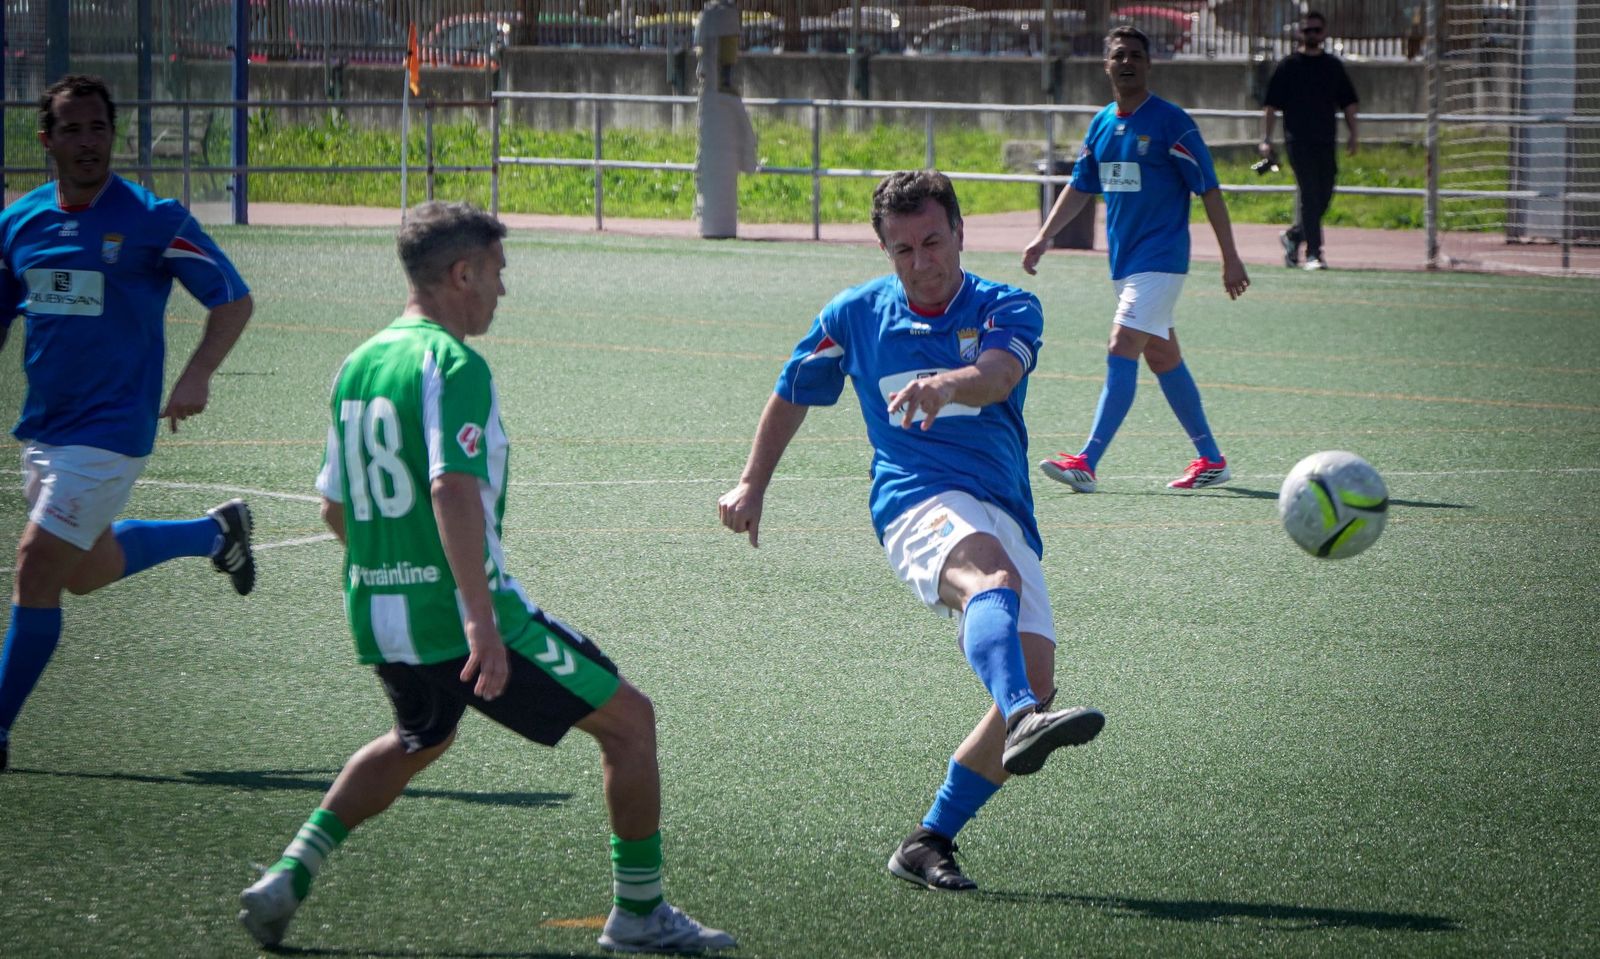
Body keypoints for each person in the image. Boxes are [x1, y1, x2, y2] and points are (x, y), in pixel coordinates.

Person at [238, 201, 734, 955]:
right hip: (466, 617)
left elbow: (334, 507)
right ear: (461, 273)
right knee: (632, 723)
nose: (503, 290)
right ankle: (640, 912)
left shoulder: (358, 363)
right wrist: (478, 619)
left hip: (378, 613)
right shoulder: (453, 362)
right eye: (498, 273)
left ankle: (287, 873)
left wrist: (391, 572)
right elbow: (452, 486)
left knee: (418, 739)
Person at [719, 170, 1105, 892]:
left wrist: (945, 382)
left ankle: (927, 839)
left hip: (1002, 501)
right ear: (884, 251)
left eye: (932, 241)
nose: (921, 261)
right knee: (990, 582)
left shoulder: (1007, 304)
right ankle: (1020, 716)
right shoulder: (854, 314)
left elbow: (994, 376)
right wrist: (753, 481)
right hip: (912, 497)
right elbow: (793, 390)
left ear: (960, 231)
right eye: (902, 249)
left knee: (1038, 672)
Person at [0, 75, 256, 774]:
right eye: (73, 130)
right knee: (84, 572)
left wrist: (197, 373)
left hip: (112, 432)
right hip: (46, 431)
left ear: (115, 135)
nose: (89, 142)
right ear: (47, 141)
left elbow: (231, 298)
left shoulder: (154, 219)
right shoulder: (16, 224)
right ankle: (215, 532)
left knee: (34, 568)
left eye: (99, 128)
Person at [1023, 26, 1249, 495]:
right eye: (1118, 55)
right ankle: (1211, 458)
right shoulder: (1102, 124)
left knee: (1120, 344)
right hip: (1125, 266)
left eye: (1136, 56)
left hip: (1162, 261)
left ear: (1149, 64)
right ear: (1106, 66)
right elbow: (1081, 186)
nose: (1127, 62)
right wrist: (1044, 238)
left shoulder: (1171, 123)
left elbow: (1207, 188)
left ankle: (1087, 460)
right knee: (1163, 356)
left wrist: (1231, 258)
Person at [1259, 10, 1360, 271]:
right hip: (1297, 141)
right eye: (1307, 31)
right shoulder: (1289, 66)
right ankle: (1314, 253)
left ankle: (1294, 236)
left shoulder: (1332, 66)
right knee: (1310, 195)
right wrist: (1266, 140)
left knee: (1325, 193)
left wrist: (1354, 135)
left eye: (1316, 30)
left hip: (1326, 141)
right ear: (1299, 33)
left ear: (1324, 33)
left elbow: (1348, 102)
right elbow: (1270, 105)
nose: (1312, 35)